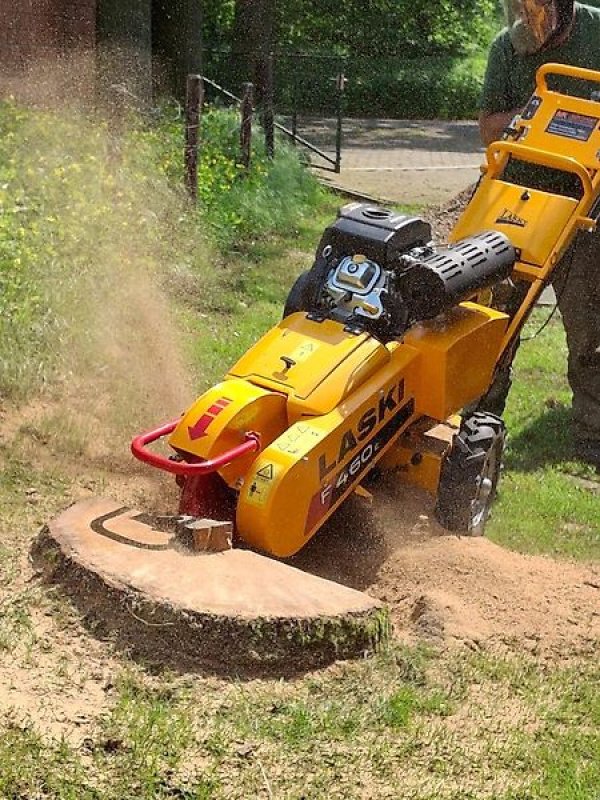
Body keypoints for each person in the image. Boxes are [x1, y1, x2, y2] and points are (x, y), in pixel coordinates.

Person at [478, 0, 600, 469]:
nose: (525, 19)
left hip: (584, 206)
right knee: (493, 318)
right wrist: (542, 116)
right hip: (517, 203)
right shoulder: (504, 49)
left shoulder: (595, 32)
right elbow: (490, 128)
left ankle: (592, 433)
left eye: (533, 9)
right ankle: (480, 419)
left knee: (590, 328)